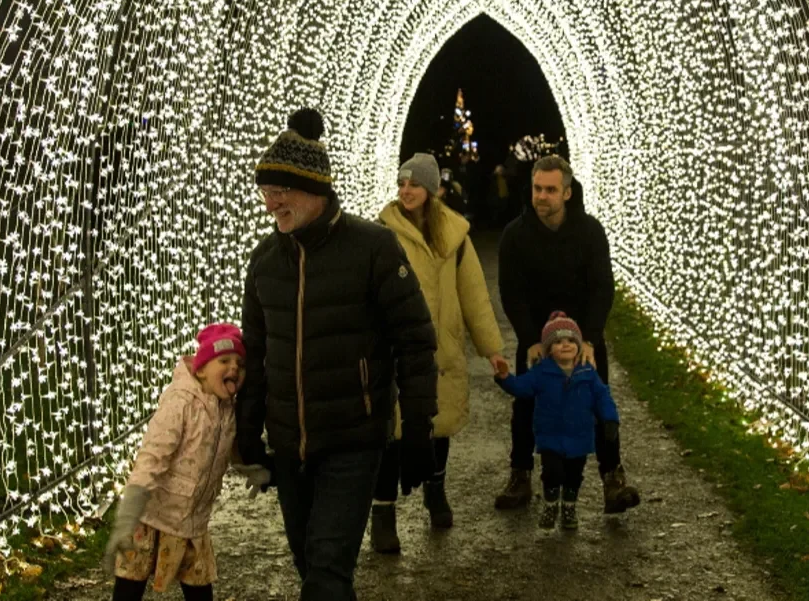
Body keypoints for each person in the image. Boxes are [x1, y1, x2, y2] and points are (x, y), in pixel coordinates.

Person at [236, 108, 438, 601]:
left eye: (280, 189)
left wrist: (416, 429)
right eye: (266, 190)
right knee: (311, 565)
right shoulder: (264, 262)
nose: (271, 202)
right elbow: (257, 353)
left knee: (326, 576)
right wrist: (247, 430)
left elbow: (414, 340)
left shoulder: (373, 248)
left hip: (353, 439)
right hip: (289, 447)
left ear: (315, 189)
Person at [370, 153, 508, 553]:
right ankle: (383, 512)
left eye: (414, 184)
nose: (406, 191)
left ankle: (436, 491)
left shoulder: (455, 236)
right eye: (402, 184)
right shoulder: (383, 233)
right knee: (391, 434)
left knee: (439, 425)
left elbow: (474, 295)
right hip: (396, 348)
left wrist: (492, 349)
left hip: (441, 346)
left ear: (434, 190)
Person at [494, 155, 641, 514]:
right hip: (538, 339)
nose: (542, 197)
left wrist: (590, 337)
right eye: (537, 189)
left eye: (550, 190)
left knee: (596, 401)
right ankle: (521, 474)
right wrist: (531, 339)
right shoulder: (515, 236)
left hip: (583, 339)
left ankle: (612, 477)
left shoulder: (590, 232)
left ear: (567, 192)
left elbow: (602, 287)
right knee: (526, 404)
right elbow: (511, 293)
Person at [101, 324, 267, 601]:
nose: (234, 368)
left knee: (201, 590)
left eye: (240, 363)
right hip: (152, 517)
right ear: (201, 369)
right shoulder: (180, 404)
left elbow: (229, 447)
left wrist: (251, 468)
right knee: (129, 589)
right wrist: (128, 517)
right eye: (224, 361)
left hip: (193, 523)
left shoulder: (227, 408)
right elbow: (151, 458)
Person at [494, 313, 619, 530]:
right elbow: (521, 388)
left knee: (573, 475)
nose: (566, 346)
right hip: (550, 435)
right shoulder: (542, 372)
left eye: (571, 341)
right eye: (558, 342)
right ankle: (551, 503)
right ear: (549, 348)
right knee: (552, 472)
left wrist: (610, 419)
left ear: (578, 345)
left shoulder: (588, 373)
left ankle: (569, 507)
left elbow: (602, 397)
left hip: (580, 436)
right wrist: (505, 378)